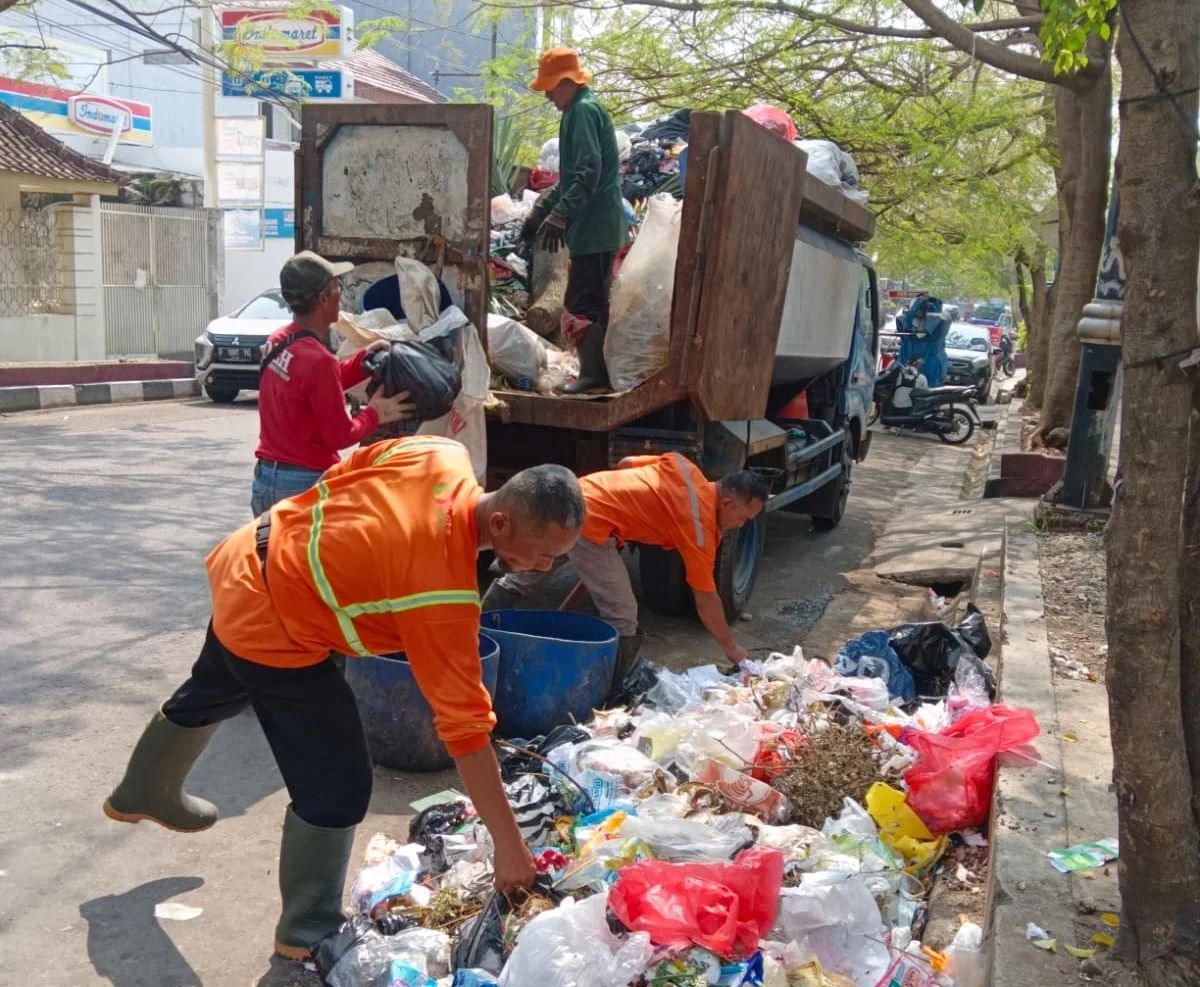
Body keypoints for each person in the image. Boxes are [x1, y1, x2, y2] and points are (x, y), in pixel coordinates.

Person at [102, 436, 584, 961]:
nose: (544, 569)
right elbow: (465, 730)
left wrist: (337, 556)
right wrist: (511, 849)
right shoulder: (439, 592)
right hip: (275, 621)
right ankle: (307, 928)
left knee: (217, 684)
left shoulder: (441, 454)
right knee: (338, 783)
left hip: (251, 555)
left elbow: (346, 467)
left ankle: (142, 789)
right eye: (544, 556)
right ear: (500, 525)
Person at [481, 454, 769, 678]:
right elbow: (706, 598)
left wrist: (628, 511)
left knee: (524, 577)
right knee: (623, 617)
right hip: (592, 524)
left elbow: (626, 464)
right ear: (728, 502)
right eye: (742, 518)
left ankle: (474, 631)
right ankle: (608, 690)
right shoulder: (699, 528)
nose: (739, 526)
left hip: (574, 500)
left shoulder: (684, 465)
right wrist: (732, 649)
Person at [252, 251, 414, 515]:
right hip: (302, 488)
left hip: (266, 479)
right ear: (323, 298)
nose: (340, 293)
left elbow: (312, 385)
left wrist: (364, 358)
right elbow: (340, 435)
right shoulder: (318, 360)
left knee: (271, 557)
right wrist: (375, 413)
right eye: (336, 287)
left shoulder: (279, 340)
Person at [521, 48, 626, 394]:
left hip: (595, 227)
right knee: (591, 299)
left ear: (567, 82)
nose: (548, 95)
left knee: (583, 303)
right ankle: (596, 373)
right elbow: (570, 178)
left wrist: (561, 213)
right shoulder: (577, 111)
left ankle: (594, 377)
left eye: (551, 87)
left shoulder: (582, 111)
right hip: (595, 226)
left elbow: (588, 171)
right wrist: (542, 211)